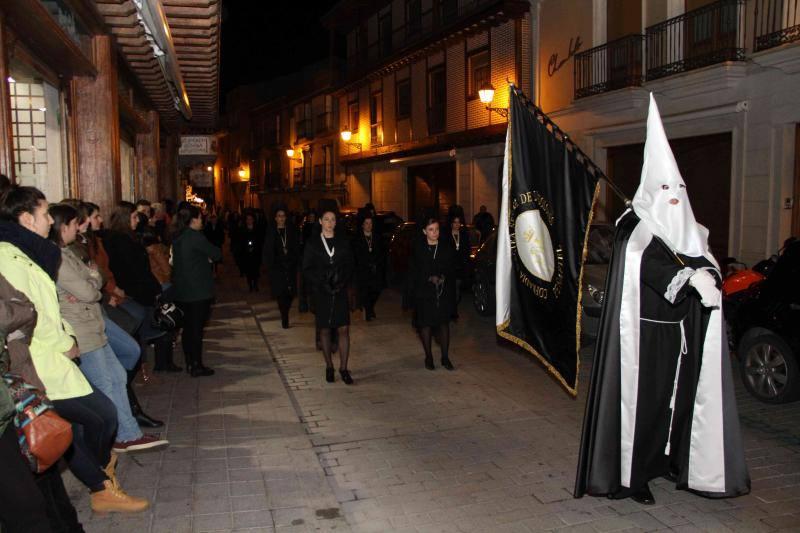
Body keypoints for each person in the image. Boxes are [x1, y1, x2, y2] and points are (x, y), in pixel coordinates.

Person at [575, 95, 749, 505]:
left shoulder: (688, 226)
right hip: (643, 340)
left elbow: (701, 257)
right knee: (646, 409)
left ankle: (672, 462)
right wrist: (686, 278)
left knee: (678, 405)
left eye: (679, 188)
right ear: (652, 190)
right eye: (665, 188)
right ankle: (635, 478)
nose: (674, 196)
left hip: (681, 337)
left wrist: (705, 273)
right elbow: (646, 265)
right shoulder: (634, 226)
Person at [0, 185, 148, 513]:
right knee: (80, 424)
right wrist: (64, 341)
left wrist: (67, 337)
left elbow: (52, 304)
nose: (50, 220)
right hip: (37, 362)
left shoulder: (32, 251)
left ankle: (100, 481)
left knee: (94, 420)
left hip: (57, 353)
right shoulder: (9, 256)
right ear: (26, 218)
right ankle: (100, 485)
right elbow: (24, 314)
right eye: (44, 214)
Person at [49, 204, 168, 454]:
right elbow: (89, 289)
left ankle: (127, 432)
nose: (77, 226)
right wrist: (91, 282)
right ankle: (118, 436)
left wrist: (91, 281)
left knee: (117, 376)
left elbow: (98, 276)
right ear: (64, 226)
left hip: (93, 324)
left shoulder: (69, 252)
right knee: (105, 381)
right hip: (81, 329)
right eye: (73, 223)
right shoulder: (57, 257)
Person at [104, 202, 179, 372]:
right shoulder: (121, 241)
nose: (137, 220)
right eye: (134, 216)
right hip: (135, 293)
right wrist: (153, 291)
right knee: (148, 322)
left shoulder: (127, 238)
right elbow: (133, 272)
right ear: (124, 218)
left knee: (160, 319)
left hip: (142, 290)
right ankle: (151, 364)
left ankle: (159, 362)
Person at [302, 202, 355, 384]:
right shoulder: (313, 243)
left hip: (339, 291)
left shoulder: (343, 241)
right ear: (320, 221)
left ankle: (344, 368)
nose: (330, 223)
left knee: (344, 329)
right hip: (321, 291)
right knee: (324, 329)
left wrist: (342, 280)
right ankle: (329, 366)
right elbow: (307, 268)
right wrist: (322, 281)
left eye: (333, 219)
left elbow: (350, 264)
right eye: (326, 219)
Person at [171, 204, 222, 377]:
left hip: (182, 291)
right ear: (193, 220)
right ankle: (197, 365)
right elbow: (216, 254)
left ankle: (190, 362)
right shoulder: (195, 237)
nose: (202, 220)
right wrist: (207, 257)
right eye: (200, 218)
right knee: (197, 330)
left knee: (188, 329)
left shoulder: (178, 236)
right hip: (198, 291)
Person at [408, 215, 457, 371]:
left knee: (443, 324)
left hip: (443, 292)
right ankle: (428, 356)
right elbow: (414, 271)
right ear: (424, 231)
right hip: (424, 292)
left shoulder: (445, 247)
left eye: (436, 229)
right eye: (431, 230)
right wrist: (429, 277)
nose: (434, 233)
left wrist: (443, 276)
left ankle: (445, 357)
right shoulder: (418, 248)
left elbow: (451, 267)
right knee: (426, 324)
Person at [263, 205, 300, 329]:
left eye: (283, 216)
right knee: (280, 293)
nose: (281, 218)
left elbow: (296, 248)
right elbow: (268, 251)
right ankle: (284, 315)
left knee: (289, 294)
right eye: (279, 216)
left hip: (290, 267)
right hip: (277, 268)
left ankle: (286, 310)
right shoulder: (271, 231)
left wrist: (295, 261)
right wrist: (269, 267)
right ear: (275, 218)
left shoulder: (291, 230)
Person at [352, 210, 384, 321]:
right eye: (366, 223)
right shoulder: (357, 238)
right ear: (362, 225)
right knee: (365, 291)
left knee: (377, 290)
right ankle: (369, 311)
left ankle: (370, 308)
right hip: (363, 270)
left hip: (375, 269)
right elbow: (356, 255)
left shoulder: (377, 237)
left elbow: (381, 252)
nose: (369, 226)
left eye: (370, 223)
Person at [447, 212, 470, 318]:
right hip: (450, 266)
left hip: (460, 266)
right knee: (452, 289)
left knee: (457, 289)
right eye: (455, 222)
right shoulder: (446, 235)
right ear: (451, 223)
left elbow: (467, 250)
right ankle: (452, 310)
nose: (457, 224)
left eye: (458, 222)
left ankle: (453, 308)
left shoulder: (464, 235)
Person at [240, 212, 263, 292]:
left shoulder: (257, 229)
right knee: (249, 270)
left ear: (253, 220)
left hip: (255, 253)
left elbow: (260, 241)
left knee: (256, 270)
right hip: (247, 254)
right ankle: (250, 285)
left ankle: (255, 284)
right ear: (246, 221)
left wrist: (255, 247)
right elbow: (241, 242)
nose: (249, 221)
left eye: (250, 219)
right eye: (248, 219)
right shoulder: (243, 230)